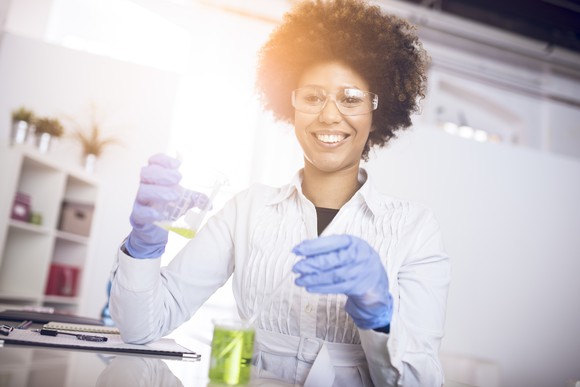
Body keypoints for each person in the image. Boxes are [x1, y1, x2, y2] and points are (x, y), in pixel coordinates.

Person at [109, 0, 451, 386]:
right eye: (312, 96)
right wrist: (144, 244)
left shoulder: (414, 230)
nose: (329, 115)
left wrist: (378, 312)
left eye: (351, 98)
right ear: (292, 106)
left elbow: (422, 382)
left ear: (377, 113)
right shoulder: (247, 209)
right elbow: (142, 327)